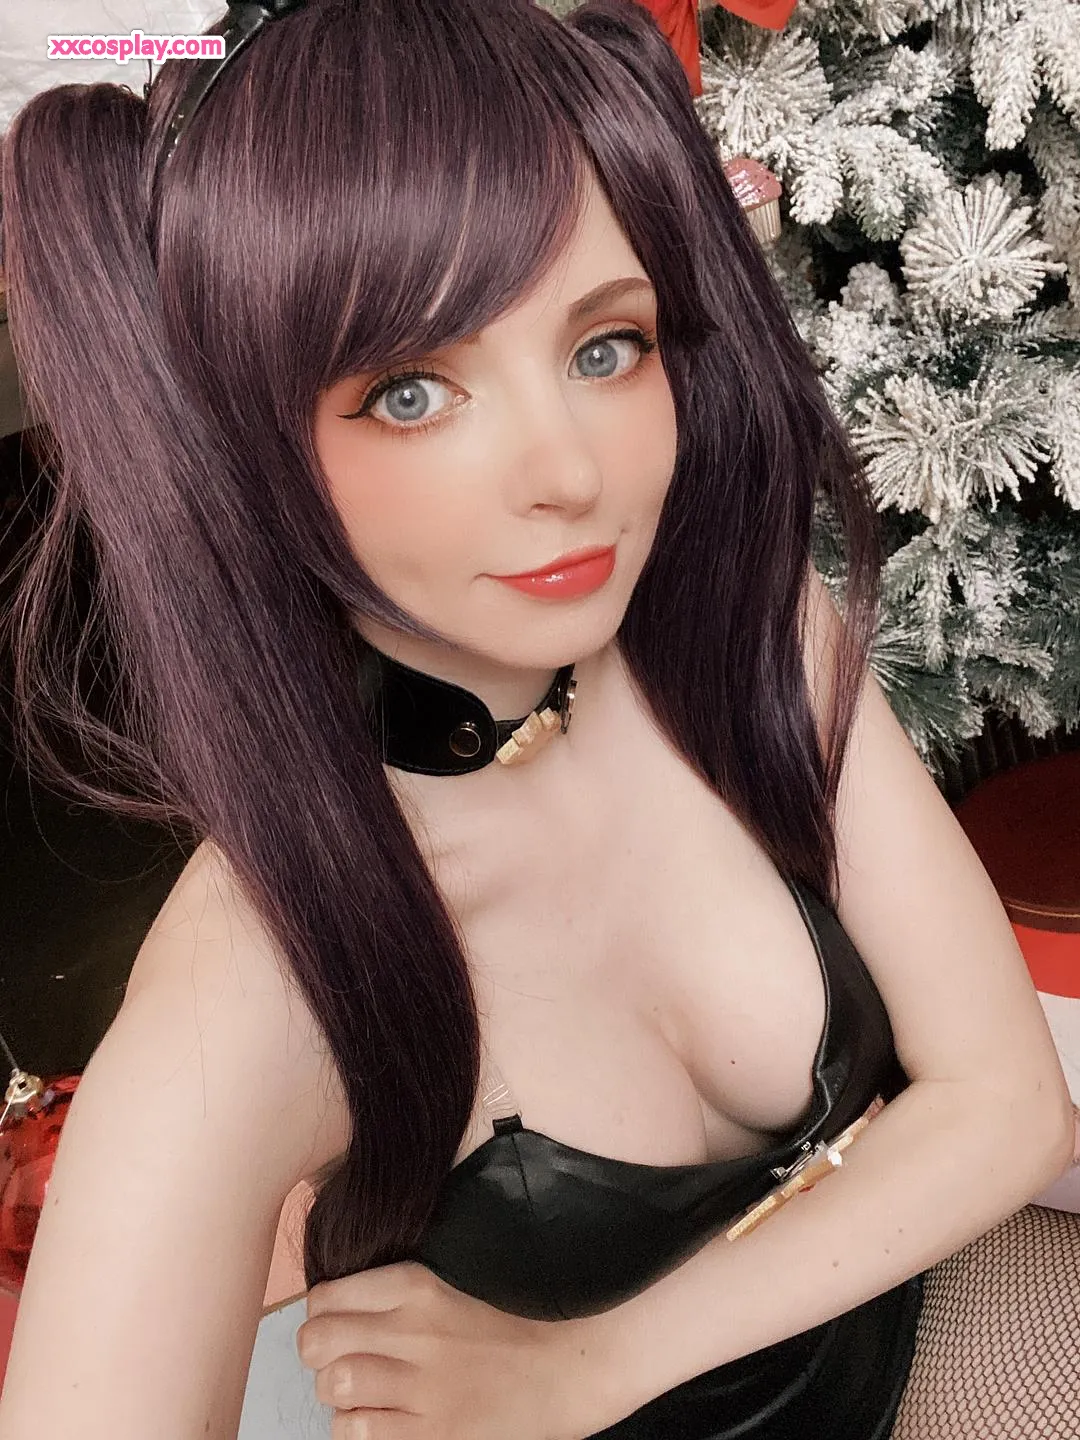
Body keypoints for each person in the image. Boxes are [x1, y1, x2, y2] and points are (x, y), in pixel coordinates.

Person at [0, 1, 1076, 1437]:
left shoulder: (742, 627)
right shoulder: (256, 983)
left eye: (604, 347)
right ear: (238, 439)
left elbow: (1008, 1104)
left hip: (907, 1345)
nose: (568, 471)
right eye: (410, 391)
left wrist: (592, 1363)